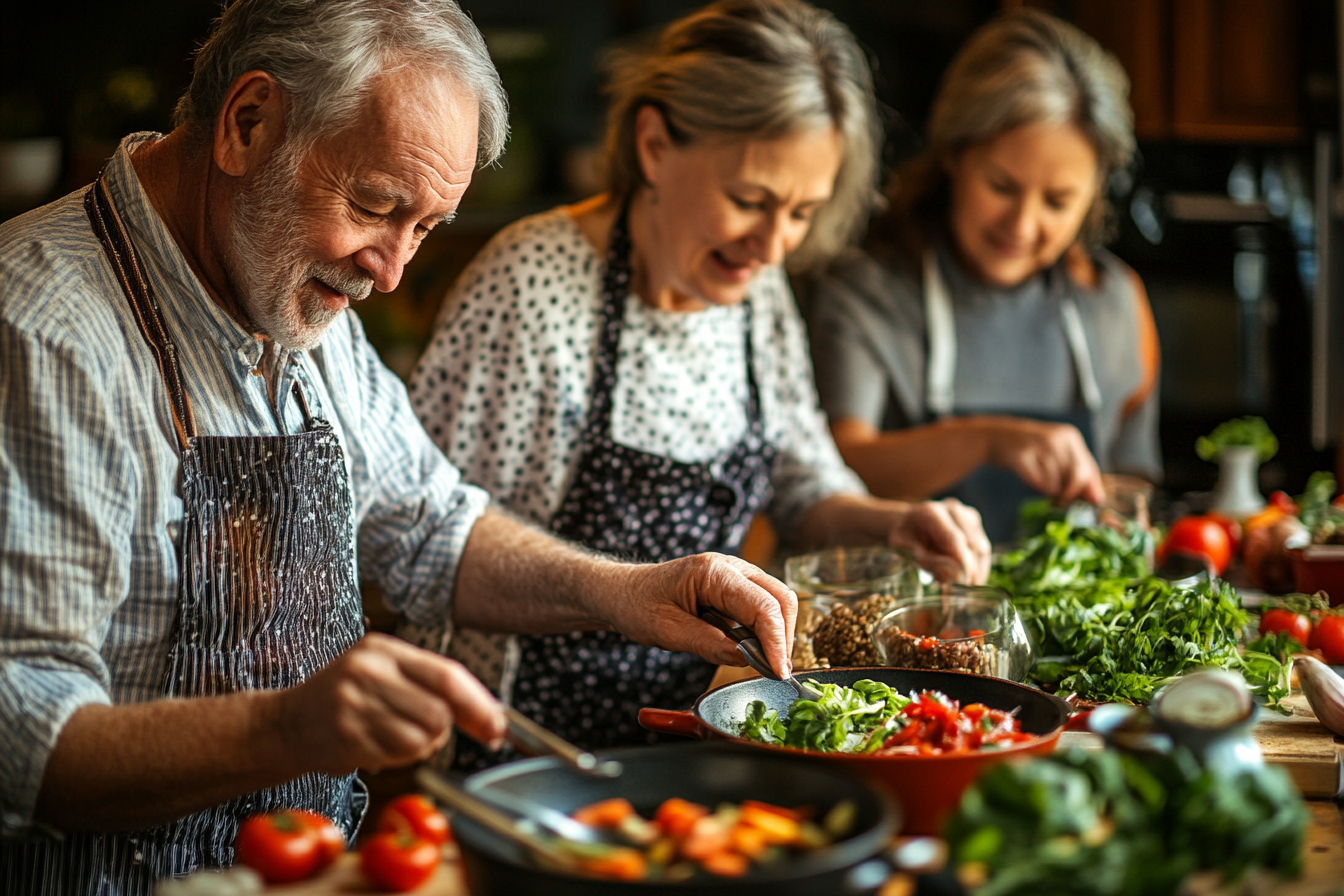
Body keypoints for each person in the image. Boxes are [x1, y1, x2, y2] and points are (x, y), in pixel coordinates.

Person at [0, 2, 807, 891]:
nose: (389, 273)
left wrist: (625, 590)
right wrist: (286, 729)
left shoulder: (282, 278)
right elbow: (23, 742)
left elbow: (431, 528)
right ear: (247, 123)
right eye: (376, 205)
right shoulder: (41, 334)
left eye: (422, 227)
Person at [409, 0, 991, 769]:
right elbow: (436, 549)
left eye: (802, 213)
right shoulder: (532, 288)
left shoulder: (754, 294)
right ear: (653, 144)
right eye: (750, 201)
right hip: (534, 744)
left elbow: (800, 483)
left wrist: (887, 523)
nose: (773, 243)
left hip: (712, 723)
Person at [804, 9, 1162, 543]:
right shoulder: (864, 290)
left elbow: (1133, 481)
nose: (1022, 224)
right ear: (952, 152)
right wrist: (988, 441)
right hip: (920, 613)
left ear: (1096, 193)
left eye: (1058, 201)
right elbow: (836, 472)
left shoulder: (1114, 301)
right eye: (1001, 185)